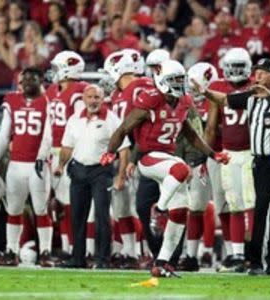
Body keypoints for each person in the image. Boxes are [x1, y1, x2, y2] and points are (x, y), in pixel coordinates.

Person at [102, 59, 230, 277]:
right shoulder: (151, 98)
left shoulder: (184, 101)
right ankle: (159, 210)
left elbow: (190, 134)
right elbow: (124, 128)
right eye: (175, 80)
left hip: (167, 159)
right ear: (162, 80)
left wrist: (213, 154)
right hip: (149, 157)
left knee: (181, 211)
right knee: (182, 171)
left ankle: (162, 263)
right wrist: (110, 151)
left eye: (181, 79)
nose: (180, 84)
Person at [192, 58, 270, 275]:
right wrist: (205, 92)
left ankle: (258, 261)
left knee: (262, 208)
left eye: (261, 73)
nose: (257, 76)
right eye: (255, 72)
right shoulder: (250, 98)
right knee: (267, 210)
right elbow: (225, 100)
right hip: (258, 161)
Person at [55, 84, 131, 269]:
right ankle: (77, 258)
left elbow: (124, 149)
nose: (93, 101)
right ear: (83, 98)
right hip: (79, 170)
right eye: (89, 97)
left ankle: (103, 259)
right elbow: (67, 146)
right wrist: (60, 165)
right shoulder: (74, 119)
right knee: (77, 216)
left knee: (102, 216)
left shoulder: (111, 119)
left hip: (101, 171)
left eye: (97, 97)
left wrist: (120, 176)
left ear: (103, 98)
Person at [0, 67, 53, 267]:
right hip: (16, 164)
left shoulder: (48, 101)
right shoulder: (12, 100)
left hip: (37, 164)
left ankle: (45, 252)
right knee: (14, 209)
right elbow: (4, 134)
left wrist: (41, 157)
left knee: (41, 209)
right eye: (23, 79)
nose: (26, 82)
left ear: (41, 80)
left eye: (32, 78)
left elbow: (48, 135)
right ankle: (11, 250)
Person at [203, 48, 255, 273]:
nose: (235, 71)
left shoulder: (256, 87)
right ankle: (237, 254)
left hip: (252, 152)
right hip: (228, 153)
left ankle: (253, 253)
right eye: (232, 66)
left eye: (239, 66)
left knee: (251, 204)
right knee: (234, 204)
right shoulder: (218, 88)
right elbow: (212, 126)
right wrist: (206, 154)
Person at [103, 48, 152, 268]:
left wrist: (132, 155)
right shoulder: (119, 93)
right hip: (124, 154)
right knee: (122, 206)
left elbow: (145, 125)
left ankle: (148, 251)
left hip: (142, 153)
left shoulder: (141, 86)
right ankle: (130, 251)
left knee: (140, 207)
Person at [46, 50, 88, 259]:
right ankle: (64, 246)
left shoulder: (78, 91)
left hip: (68, 151)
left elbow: (81, 124)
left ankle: (75, 247)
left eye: (57, 67)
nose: (53, 72)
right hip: (51, 151)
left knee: (71, 202)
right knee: (58, 203)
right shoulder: (52, 90)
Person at [180, 62, 219, 271]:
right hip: (196, 160)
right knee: (195, 207)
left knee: (226, 206)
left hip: (217, 157)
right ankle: (191, 255)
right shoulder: (186, 102)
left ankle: (232, 254)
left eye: (196, 85)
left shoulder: (219, 100)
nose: (193, 90)